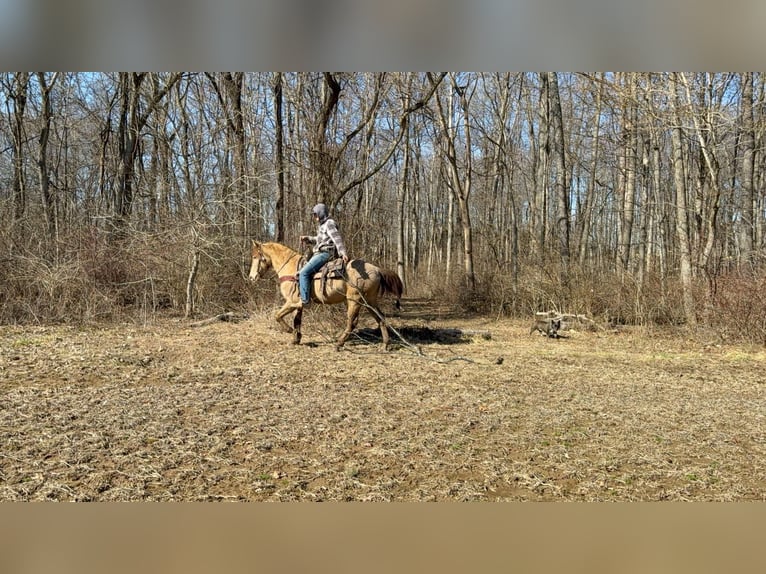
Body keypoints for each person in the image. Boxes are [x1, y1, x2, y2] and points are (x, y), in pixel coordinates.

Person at [298, 203, 349, 307]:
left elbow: (337, 238)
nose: (314, 216)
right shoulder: (322, 225)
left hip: (325, 254)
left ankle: (305, 301)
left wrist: (343, 252)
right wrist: (307, 238)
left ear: (321, 213)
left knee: (303, 273)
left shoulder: (329, 223)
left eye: (315, 214)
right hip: (320, 252)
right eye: (314, 214)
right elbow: (319, 240)